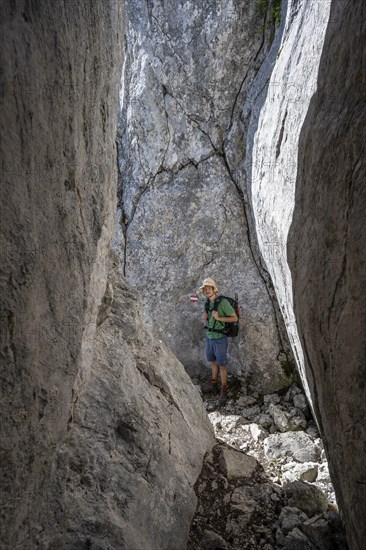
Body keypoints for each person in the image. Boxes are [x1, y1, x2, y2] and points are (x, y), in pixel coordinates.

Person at [199, 277, 238, 405]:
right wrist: (205, 315)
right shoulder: (207, 303)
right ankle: (214, 381)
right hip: (209, 336)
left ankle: (224, 387)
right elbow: (206, 317)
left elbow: (234, 318)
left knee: (222, 364)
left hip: (220, 338)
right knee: (212, 361)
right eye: (205, 289)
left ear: (214, 289)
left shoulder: (223, 303)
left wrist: (219, 318)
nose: (207, 290)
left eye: (209, 288)